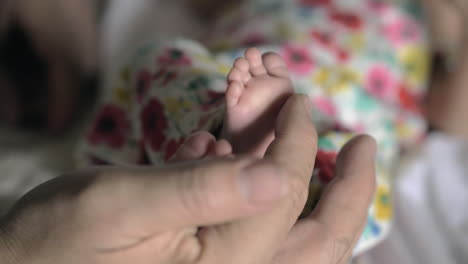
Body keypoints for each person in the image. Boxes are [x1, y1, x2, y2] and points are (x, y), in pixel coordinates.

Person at [0, 94, 377, 264]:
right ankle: (247, 141)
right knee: (358, 200)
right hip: (370, 106)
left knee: (176, 94)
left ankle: (242, 136)